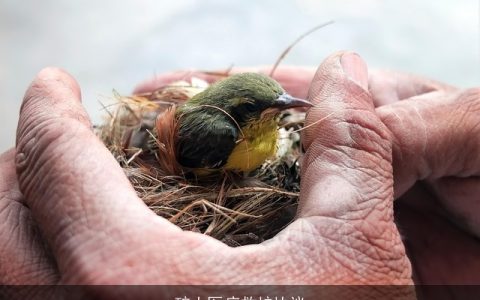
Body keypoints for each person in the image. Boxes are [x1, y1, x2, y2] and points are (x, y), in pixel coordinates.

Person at [0, 51, 478, 298]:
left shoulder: (270, 132)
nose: (285, 109)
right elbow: (187, 172)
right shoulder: (218, 133)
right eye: (266, 107)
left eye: (282, 102)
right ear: (238, 112)